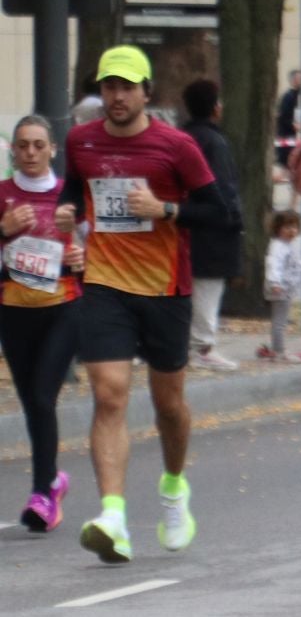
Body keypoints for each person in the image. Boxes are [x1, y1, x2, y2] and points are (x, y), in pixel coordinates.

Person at [56, 45, 236, 563]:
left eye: (126, 87)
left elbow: (220, 212)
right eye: (109, 86)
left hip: (164, 289)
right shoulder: (81, 140)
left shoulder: (176, 147)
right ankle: (113, 515)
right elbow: (73, 188)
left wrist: (166, 209)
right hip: (106, 283)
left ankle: (174, 488)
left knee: (168, 406)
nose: (116, 96)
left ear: (146, 93)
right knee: (109, 395)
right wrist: (68, 212)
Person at [1, 115, 85, 531]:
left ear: (53, 149)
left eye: (38, 145)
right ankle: (52, 480)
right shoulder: (2, 196)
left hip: (64, 309)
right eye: (23, 145)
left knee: (41, 396)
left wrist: (82, 259)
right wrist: (2, 230)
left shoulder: (70, 196)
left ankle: (42, 494)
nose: (30, 153)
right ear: (13, 151)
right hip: (14, 311)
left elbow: (103, 247)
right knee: (33, 403)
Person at [178, 79, 244, 372]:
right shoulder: (215, 142)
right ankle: (202, 346)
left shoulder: (182, 137)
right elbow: (224, 189)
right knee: (207, 288)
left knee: (189, 287)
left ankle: (190, 343)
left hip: (184, 223)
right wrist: (233, 219)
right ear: (216, 108)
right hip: (213, 228)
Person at [260, 210, 301, 363]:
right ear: (278, 229)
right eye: (287, 227)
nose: (292, 231)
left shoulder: (286, 245)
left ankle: (279, 348)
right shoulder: (278, 246)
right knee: (280, 321)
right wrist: (275, 282)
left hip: (286, 288)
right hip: (279, 288)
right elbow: (273, 264)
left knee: (281, 320)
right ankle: (279, 350)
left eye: (295, 227)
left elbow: (293, 263)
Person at [274, 69, 301, 169]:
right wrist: (293, 125)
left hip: (294, 135)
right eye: (299, 78)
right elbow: (283, 116)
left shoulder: (300, 96)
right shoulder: (288, 97)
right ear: (293, 81)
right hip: (287, 135)